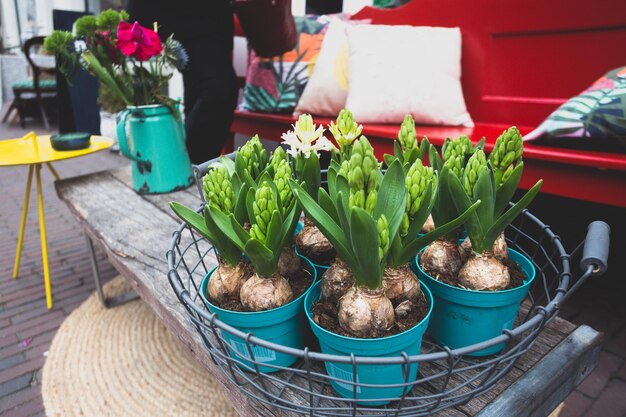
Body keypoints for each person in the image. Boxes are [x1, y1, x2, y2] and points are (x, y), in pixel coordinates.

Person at [125, 0, 238, 164]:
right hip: (186, 14)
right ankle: (181, 166)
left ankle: (187, 170)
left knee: (199, 90)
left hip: (208, 18)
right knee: (218, 89)